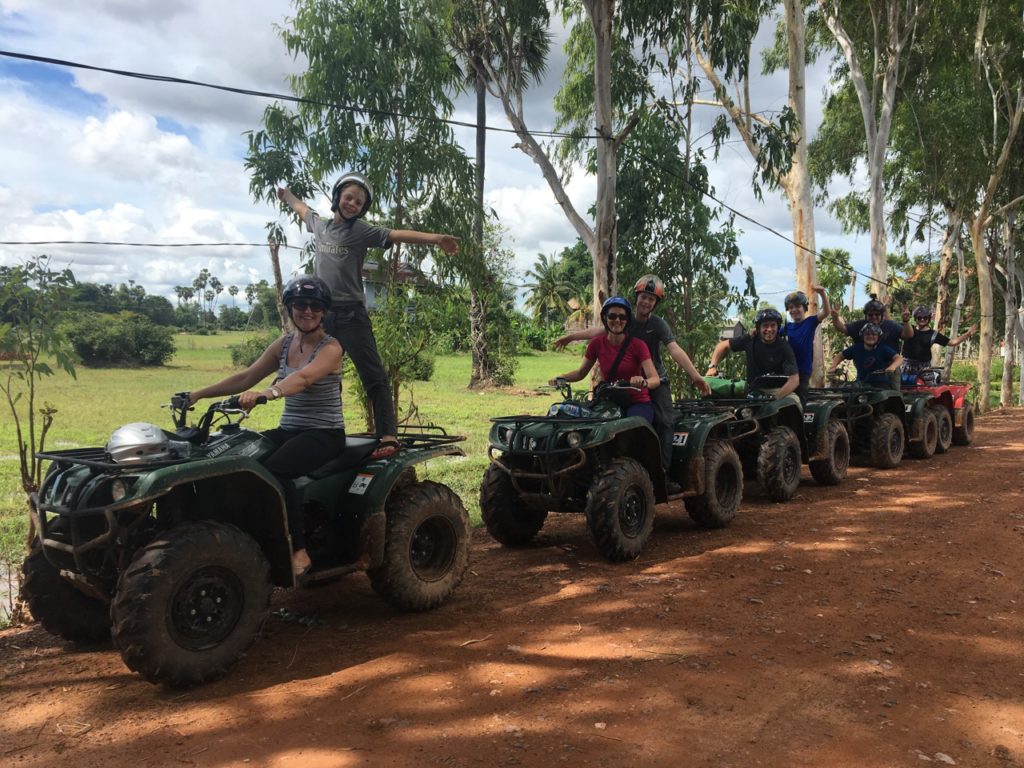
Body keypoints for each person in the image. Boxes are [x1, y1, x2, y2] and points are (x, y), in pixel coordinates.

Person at [277, 173, 459, 459]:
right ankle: (325, 431)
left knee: (373, 377)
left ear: (363, 209)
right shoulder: (320, 226)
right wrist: (286, 196)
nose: (352, 204)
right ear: (337, 197)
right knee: (323, 378)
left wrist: (436, 239)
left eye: (359, 203)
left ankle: (387, 436)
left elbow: (396, 234)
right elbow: (302, 208)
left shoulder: (360, 231)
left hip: (351, 315)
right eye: (348, 198)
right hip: (322, 317)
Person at [186, 276, 345, 577]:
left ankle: (298, 550)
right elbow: (246, 377)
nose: (307, 311)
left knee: (275, 471)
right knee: (239, 459)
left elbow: (304, 378)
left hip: (324, 433)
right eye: (300, 305)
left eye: (314, 306)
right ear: (290, 308)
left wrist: (268, 393)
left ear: (324, 312)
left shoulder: (331, 348)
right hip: (289, 430)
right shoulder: (284, 344)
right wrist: (197, 394)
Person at [553, 276, 710, 488]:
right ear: (637, 298)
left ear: (655, 304)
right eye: (644, 297)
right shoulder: (624, 318)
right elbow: (597, 332)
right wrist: (571, 338)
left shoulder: (658, 325)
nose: (646, 302)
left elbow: (674, 349)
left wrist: (696, 376)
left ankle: (663, 474)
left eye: (651, 300)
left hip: (654, 381)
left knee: (664, 422)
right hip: (619, 387)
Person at [549, 297, 661, 423]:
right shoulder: (596, 344)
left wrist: (643, 382)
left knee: (633, 429)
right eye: (612, 316)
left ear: (627, 320)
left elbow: (655, 379)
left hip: (637, 402)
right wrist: (561, 378)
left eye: (622, 317)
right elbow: (581, 373)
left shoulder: (638, 345)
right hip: (609, 401)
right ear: (605, 318)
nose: (617, 320)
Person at [706, 308, 800, 404]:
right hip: (752, 391)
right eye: (765, 326)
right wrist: (712, 367)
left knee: (794, 402)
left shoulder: (784, 347)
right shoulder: (750, 339)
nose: (769, 329)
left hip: (777, 390)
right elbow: (722, 346)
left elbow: (794, 380)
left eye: (773, 325)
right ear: (758, 328)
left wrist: (774, 398)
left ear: (778, 327)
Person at [782, 285, 831, 401]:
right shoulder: (785, 328)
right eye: (790, 307)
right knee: (787, 401)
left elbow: (826, 312)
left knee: (800, 400)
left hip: (802, 372)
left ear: (804, 308)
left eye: (798, 306)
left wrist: (822, 294)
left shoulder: (810, 322)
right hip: (787, 372)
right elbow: (770, 335)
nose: (794, 310)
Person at [901, 305, 977, 371]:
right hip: (906, 367)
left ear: (929, 318)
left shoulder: (933, 334)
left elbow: (952, 342)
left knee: (927, 387)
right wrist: (905, 320)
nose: (922, 319)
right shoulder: (908, 328)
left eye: (925, 317)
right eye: (919, 317)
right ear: (915, 318)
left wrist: (967, 334)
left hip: (924, 369)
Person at [828, 322, 904, 387]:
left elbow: (899, 358)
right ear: (863, 336)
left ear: (878, 337)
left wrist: (892, 367)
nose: (870, 336)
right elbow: (840, 356)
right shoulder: (856, 348)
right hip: (861, 384)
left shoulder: (883, 349)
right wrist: (833, 366)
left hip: (881, 385)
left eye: (874, 334)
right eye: (867, 334)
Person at [831, 295, 912, 352]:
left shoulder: (891, 325)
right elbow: (842, 328)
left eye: (877, 314)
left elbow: (908, 335)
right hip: (865, 370)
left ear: (882, 315)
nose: (874, 317)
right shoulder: (859, 325)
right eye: (870, 315)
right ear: (866, 315)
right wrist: (835, 317)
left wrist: (906, 321)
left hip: (890, 369)